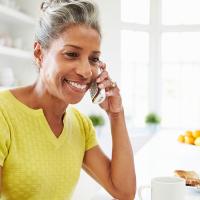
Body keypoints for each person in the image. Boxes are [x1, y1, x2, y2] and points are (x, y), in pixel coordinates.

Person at [0, 0, 136, 199]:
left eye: (94, 58)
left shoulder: (80, 125)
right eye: (71, 54)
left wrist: (116, 114)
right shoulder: (4, 113)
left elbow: (123, 191)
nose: (85, 71)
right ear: (39, 53)